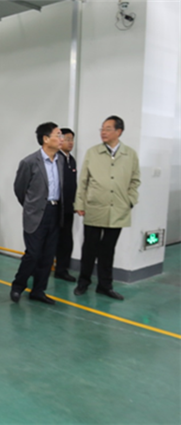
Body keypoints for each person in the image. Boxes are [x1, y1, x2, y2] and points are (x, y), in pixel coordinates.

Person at [73, 116, 140, 300]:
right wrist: (80, 203)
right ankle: (83, 282)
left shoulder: (130, 154)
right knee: (89, 248)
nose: (103, 132)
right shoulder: (93, 153)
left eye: (108, 129)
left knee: (108, 250)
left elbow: (135, 181)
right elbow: (83, 181)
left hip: (118, 210)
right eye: (102, 129)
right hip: (94, 207)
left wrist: (130, 201)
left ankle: (105, 286)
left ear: (119, 132)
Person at [11, 122, 64, 305]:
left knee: (48, 256)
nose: (62, 139)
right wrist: (31, 207)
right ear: (46, 139)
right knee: (33, 254)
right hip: (36, 214)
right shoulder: (29, 162)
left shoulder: (61, 160)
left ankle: (38, 291)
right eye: (58, 135)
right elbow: (19, 189)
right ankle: (18, 286)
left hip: (55, 211)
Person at [54, 128, 77, 282]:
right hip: (56, 208)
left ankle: (62, 269)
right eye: (67, 139)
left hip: (69, 208)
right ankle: (37, 268)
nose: (70, 142)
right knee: (50, 240)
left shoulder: (72, 160)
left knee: (66, 240)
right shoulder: (56, 158)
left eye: (72, 139)